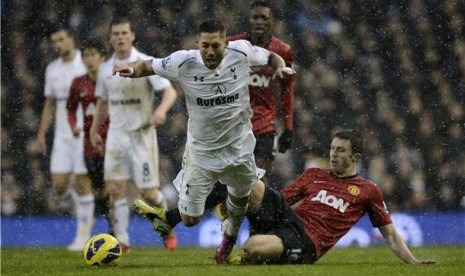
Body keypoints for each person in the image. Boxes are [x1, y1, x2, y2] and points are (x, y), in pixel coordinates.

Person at [115, 19, 295, 263]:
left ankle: (226, 244)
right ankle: (174, 220)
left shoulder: (241, 51)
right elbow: (148, 66)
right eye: (205, 46)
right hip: (202, 154)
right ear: (197, 43)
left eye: (216, 46)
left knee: (240, 202)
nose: (210, 52)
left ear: (226, 43)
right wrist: (130, 70)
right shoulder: (184, 61)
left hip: (240, 148)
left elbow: (271, 57)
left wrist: (280, 67)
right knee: (190, 218)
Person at [136, 129, 437, 265]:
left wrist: (412, 261)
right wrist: (246, 200)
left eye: (340, 151)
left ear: (356, 156)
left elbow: (390, 234)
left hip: (307, 243)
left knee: (253, 248)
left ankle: (234, 233)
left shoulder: (368, 190)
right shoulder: (314, 175)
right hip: (288, 219)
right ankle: (172, 217)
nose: (333, 154)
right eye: (331, 149)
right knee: (246, 178)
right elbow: (281, 198)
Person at [90, 17, 178, 252]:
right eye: (115, 33)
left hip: (142, 135)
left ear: (132, 36)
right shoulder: (105, 69)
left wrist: (160, 111)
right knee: (115, 189)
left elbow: (169, 92)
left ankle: (166, 227)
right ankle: (122, 240)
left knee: (147, 193)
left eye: (124, 33)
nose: (119, 37)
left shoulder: (144, 63)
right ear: (110, 38)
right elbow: (103, 103)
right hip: (116, 136)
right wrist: (94, 130)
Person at [229, 0, 295, 185]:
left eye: (264, 18)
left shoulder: (283, 51)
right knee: (232, 178)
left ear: (272, 21)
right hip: (234, 123)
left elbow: (287, 89)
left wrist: (288, 128)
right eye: (255, 17)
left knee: (260, 180)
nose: (259, 21)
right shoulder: (232, 44)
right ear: (249, 19)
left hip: (264, 125)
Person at [36, 26, 91, 251]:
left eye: (61, 39)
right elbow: (50, 103)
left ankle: (82, 236)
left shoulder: (85, 63)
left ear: (71, 40)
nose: (57, 44)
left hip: (83, 133)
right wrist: (41, 133)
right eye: (53, 41)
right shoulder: (52, 69)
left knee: (81, 183)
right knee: (59, 185)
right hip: (61, 135)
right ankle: (85, 204)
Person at [66, 39, 110, 228]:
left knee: (113, 185)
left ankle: (115, 226)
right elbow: (70, 109)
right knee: (99, 188)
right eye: (86, 55)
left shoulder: (111, 79)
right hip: (90, 142)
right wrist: (74, 125)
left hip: (113, 139)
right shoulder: (78, 83)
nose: (89, 59)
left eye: (93, 55)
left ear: (102, 58)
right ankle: (109, 219)